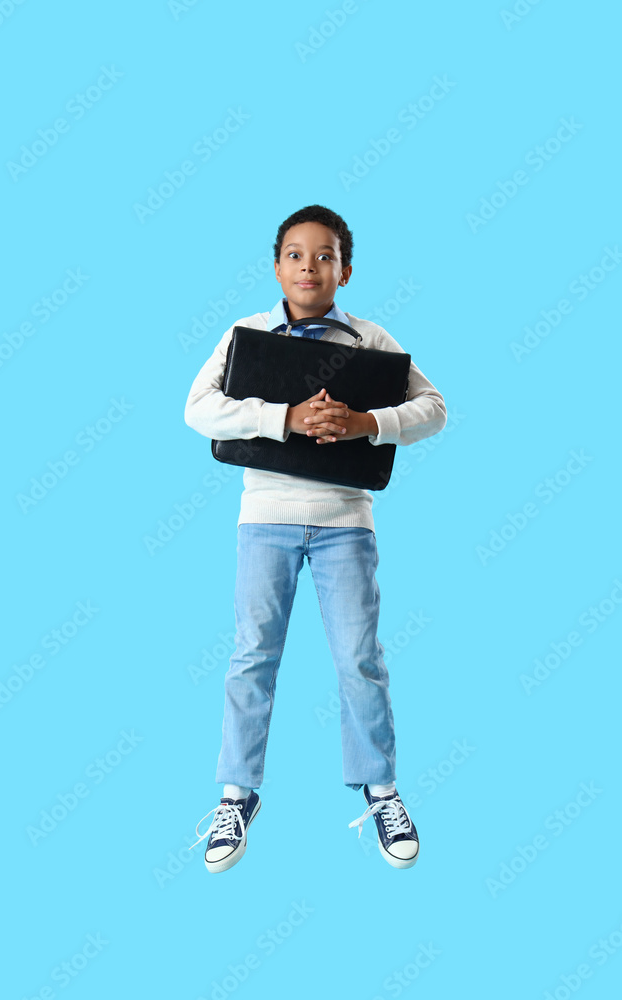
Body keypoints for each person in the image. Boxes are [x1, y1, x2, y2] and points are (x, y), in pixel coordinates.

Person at [184, 204, 447, 873]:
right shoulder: (246, 334)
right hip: (264, 519)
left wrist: (366, 423)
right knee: (252, 657)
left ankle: (378, 785)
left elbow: (432, 408)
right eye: (296, 255)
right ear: (277, 267)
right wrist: (285, 416)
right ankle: (236, 793)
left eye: (324, 255)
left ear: (345, 270)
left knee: (360, 658)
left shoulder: (371, 340)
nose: (309, 266)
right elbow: (197, 408)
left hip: (343, 525)